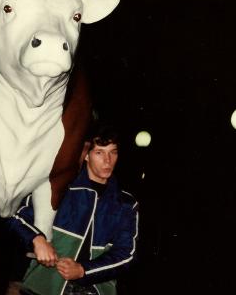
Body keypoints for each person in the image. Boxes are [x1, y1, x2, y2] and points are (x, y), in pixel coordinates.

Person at [9, 124, 139, 295]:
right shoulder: (60, 188)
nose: (108, 160)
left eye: (113, 152)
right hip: (45, 287)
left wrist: (83, 270)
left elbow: (126, 254)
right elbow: (16, 215)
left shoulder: (126, 203)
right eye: (99, 152)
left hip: (96, 289)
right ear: (86, 155)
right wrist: (37, 240)